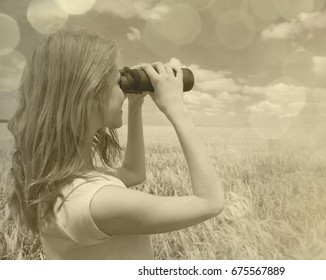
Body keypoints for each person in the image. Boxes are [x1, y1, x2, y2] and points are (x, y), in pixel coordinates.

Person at [7, 29, 224, 260]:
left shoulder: (62, 180)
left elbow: (134, 173)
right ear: (89, 94)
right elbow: (210, 202)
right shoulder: (97, 202)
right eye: (117, 83)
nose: (123, 92)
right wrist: (176, 108)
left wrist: (135, 105)